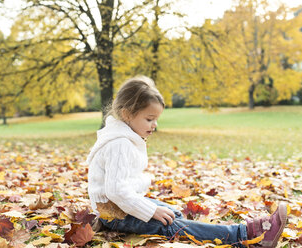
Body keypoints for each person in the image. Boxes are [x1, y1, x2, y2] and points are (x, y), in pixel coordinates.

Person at [87, 76, 287, 248]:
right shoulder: (119, 144)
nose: (154, 125)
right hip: (116, 213)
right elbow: (115, 191)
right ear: (127, 114)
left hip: (119, 208)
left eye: (156, 119)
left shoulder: (124, 137)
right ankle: (245, 235)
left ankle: (198, 231)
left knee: (172, 214)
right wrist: (152, 210)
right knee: (168, 223)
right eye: (149, 119)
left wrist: (151, 208)